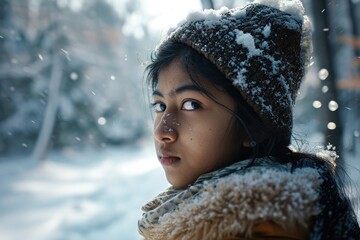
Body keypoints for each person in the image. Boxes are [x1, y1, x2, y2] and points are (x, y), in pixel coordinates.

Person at [138, 0, 360, 239]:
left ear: (254, 127)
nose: (163, 130)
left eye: (191, 104)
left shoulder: (259, 227)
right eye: (160, 105)